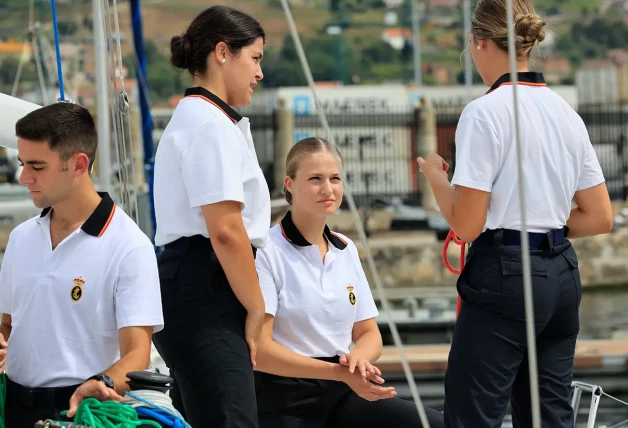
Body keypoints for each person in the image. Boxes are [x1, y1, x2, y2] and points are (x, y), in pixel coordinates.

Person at [416, 0, 614, 427]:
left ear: (480, 42)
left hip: (505, 276)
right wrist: (545, 227)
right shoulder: (566, 114)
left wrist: (435, 177)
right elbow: (600, 217)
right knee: (548, 416)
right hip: (562, 275)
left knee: (472, 415)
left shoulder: (483, 114)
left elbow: (467, 225)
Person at [253, 137, 445, 428]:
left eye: (335, 178)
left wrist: (357, 360)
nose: (328, 189)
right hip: (284, 399)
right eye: (315, 179)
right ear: (290, 184)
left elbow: (369, 334)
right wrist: (338, 372)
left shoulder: (346, 248)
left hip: (344, 391)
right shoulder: (267, 251)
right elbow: (260, 351)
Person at [0, 102, 164, 428]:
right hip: (13, 408)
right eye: (22, 164)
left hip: (80, 411)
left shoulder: (130, 247)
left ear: (78, 164)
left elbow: (137, 352)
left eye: (36, 166)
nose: (23, 177)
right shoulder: (19, 239)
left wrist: (103, 382)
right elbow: (7, 325)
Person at [151, 5, 270, 428]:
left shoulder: (203, 120)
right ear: (223, 52)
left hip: (196, 283)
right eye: (254, 58)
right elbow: (225, 230)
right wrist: (257, 307)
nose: (259, 73)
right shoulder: (210, 126)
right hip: (208, 286)